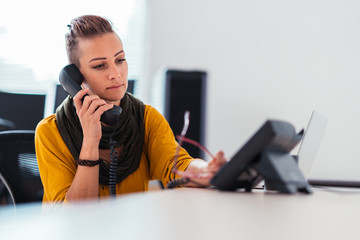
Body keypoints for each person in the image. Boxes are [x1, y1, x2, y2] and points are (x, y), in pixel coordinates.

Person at [35, 15, 226, 204]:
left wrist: (208, 169)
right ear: (76, 77)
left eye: (120, 60)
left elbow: (176, 165)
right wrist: (91, 140)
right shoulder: (50, 131)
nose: (116, 74)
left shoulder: (146, 118)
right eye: (100, 65)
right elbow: (73, 215)